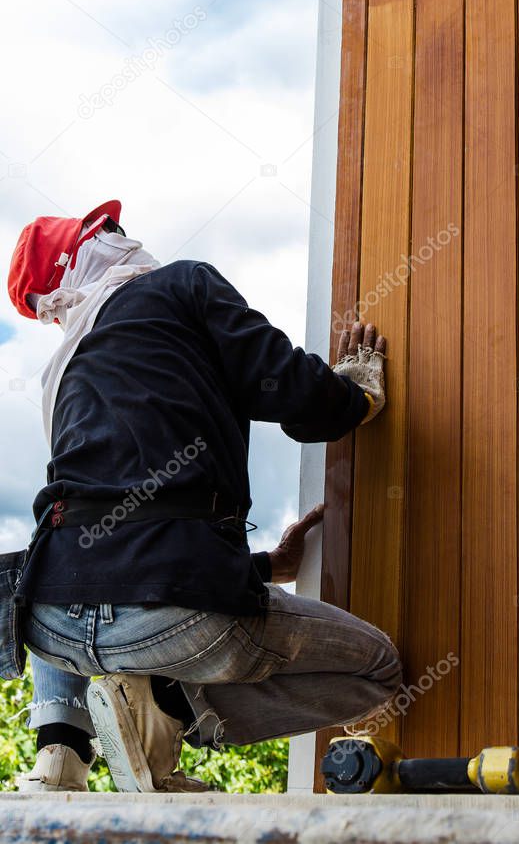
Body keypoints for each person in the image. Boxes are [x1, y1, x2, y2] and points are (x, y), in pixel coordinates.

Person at [6, 199, 400, 792]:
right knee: (380, 668)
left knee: (63, 557)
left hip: (47, 626)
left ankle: (59, 756)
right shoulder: (182, 285)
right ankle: (172, 709)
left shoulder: (61, 377)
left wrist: (269, 566)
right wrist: (355, 393)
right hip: (175, 615)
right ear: (86, 253)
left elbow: (116, 527)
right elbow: (294, 391)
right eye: (109, 229)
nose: (123, 233)